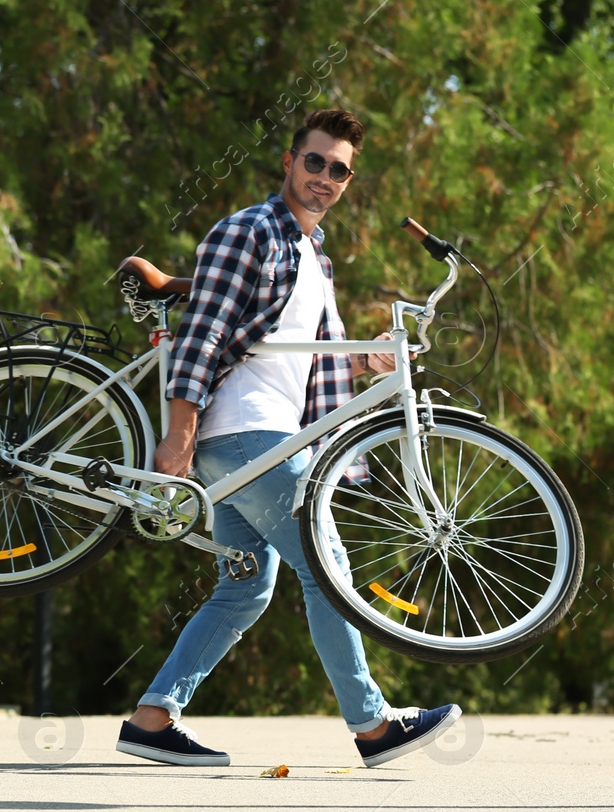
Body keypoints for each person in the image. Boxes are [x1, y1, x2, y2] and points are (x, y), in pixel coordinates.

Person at [116, 108, 461, 769]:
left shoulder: (313, 258)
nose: (325, 177)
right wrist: (178, 433)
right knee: (326, 566)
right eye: (315, 162)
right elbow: (206, 333)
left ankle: (152, 718)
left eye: (339, 170)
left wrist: (369, 359)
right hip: (245, 433)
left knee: (246, 586)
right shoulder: (250, 231)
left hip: (260, 441)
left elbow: (306, 352)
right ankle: (372, 725)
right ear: (288, 162)